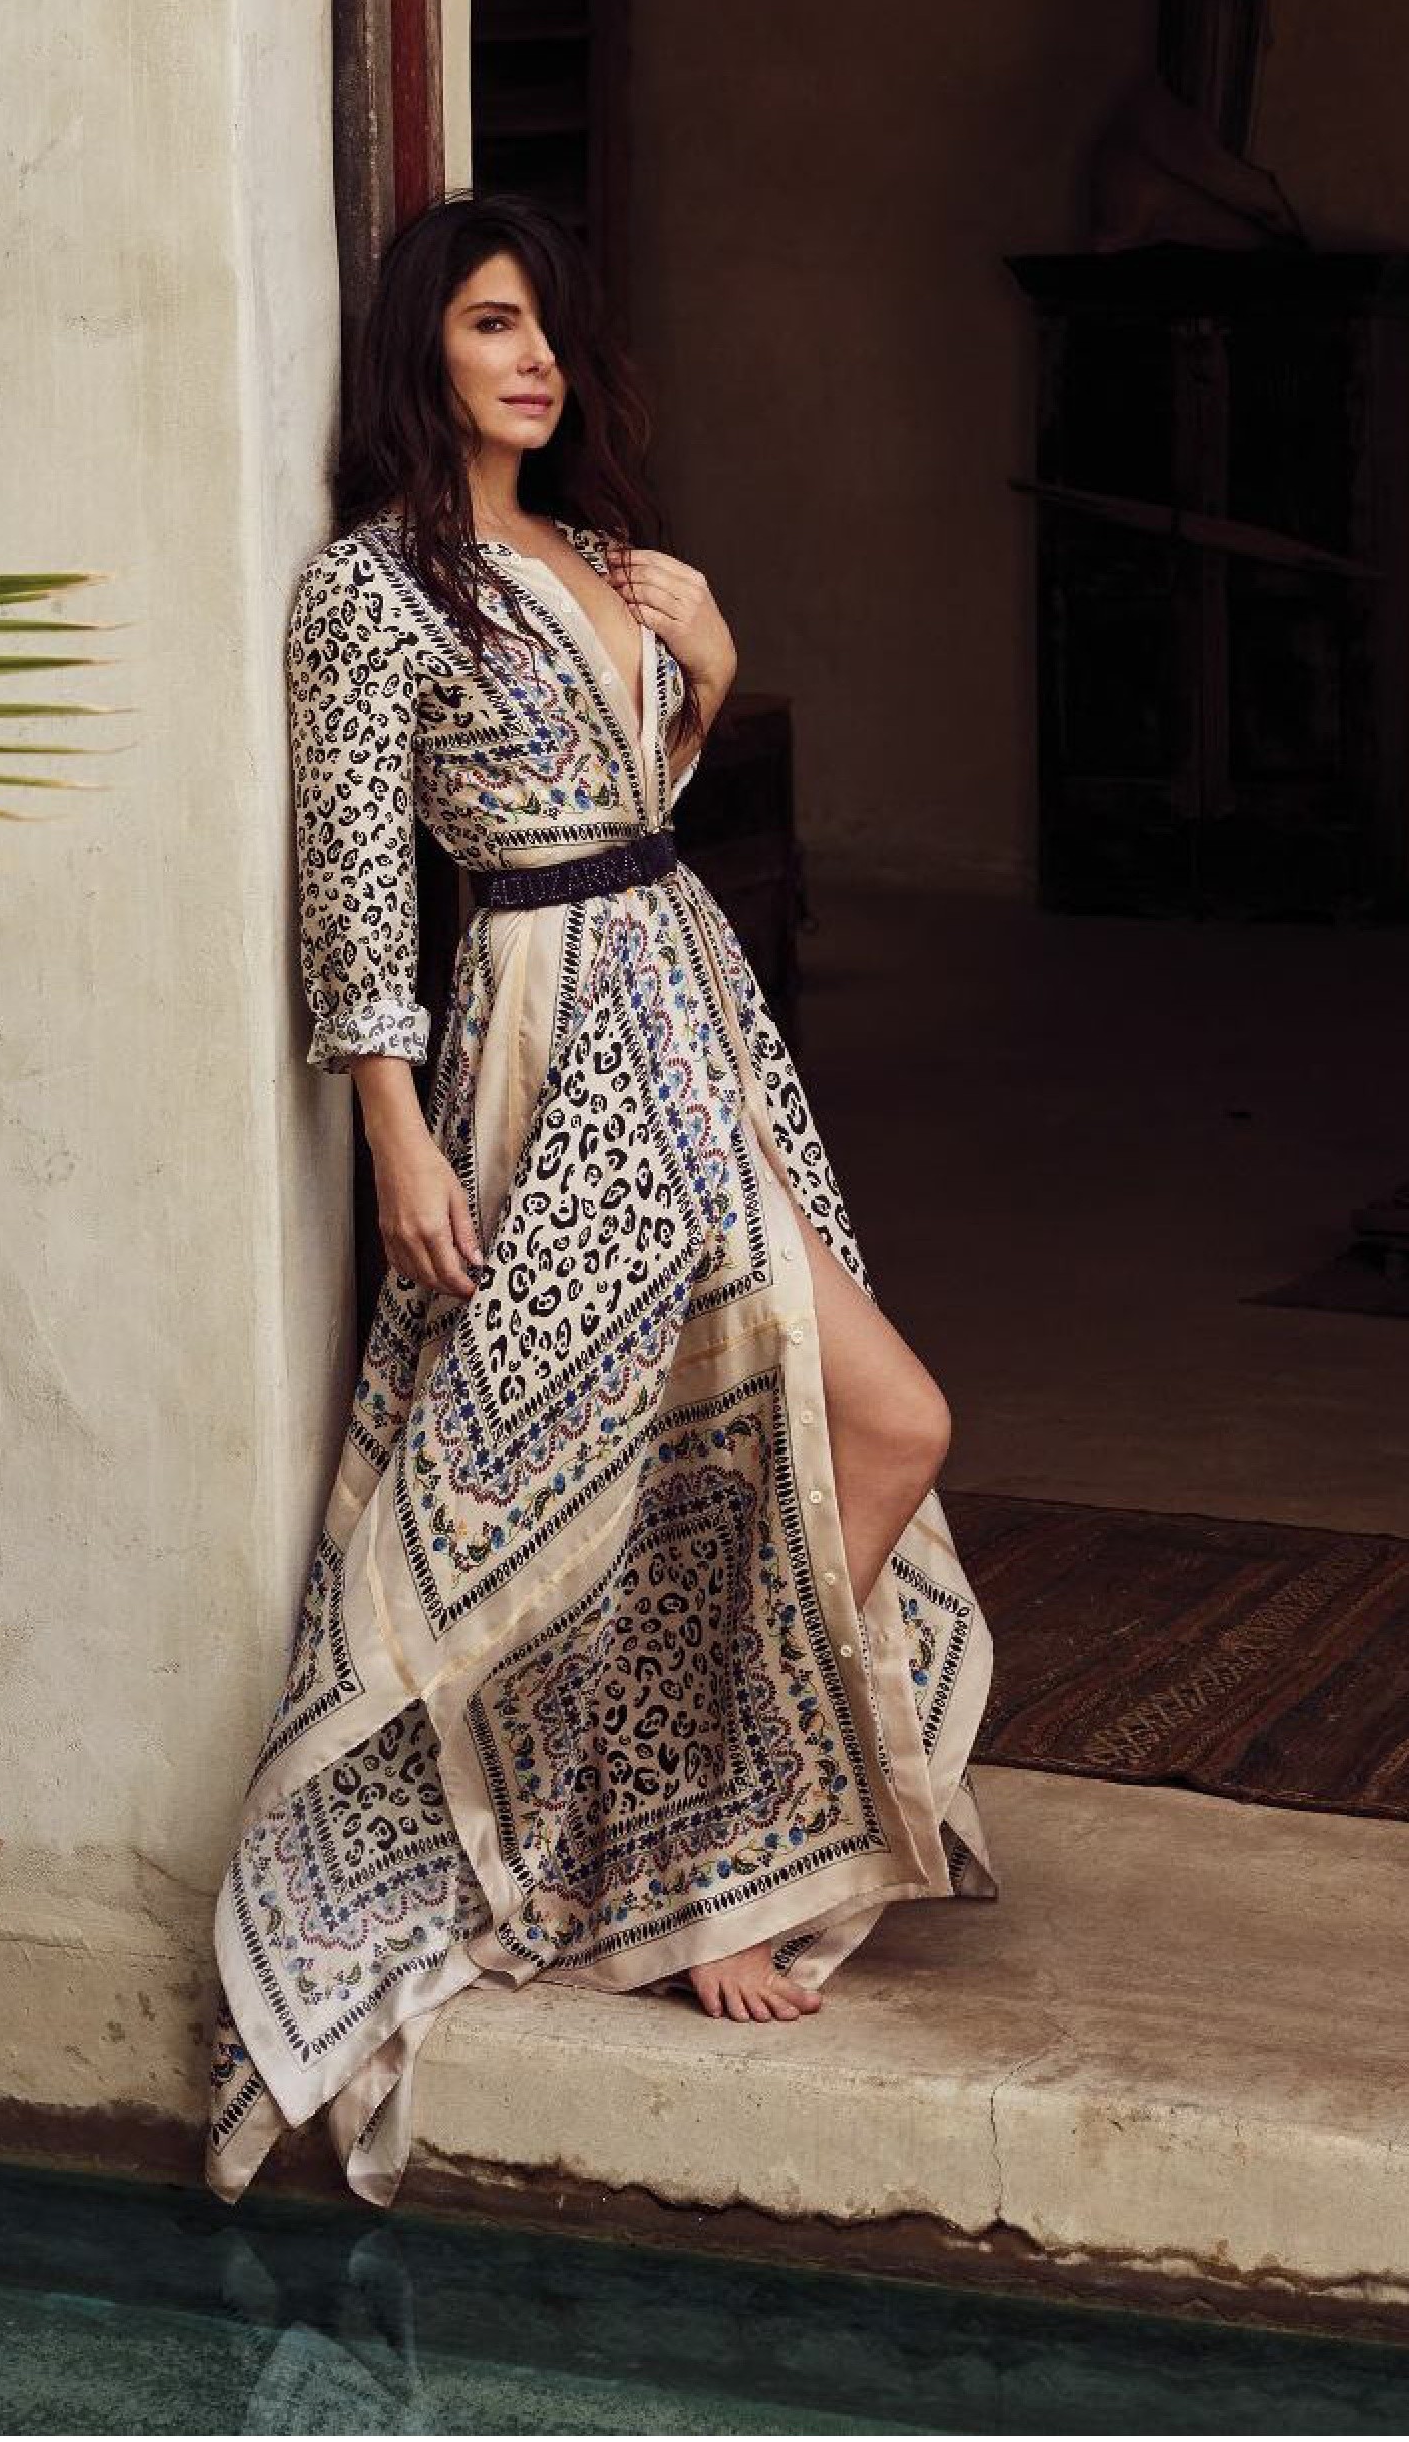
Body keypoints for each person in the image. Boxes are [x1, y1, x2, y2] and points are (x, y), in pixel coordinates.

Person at [205, 194, 995, 2206]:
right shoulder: (369, 591)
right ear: (422, 347)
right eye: (492, 323)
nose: (534, 357)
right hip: (547, 1047)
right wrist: (393, 1134)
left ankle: (701, 1839)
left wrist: (709, 670)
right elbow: (358, 879)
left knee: (866, 1421)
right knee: (667, 1449)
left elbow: (627, 796)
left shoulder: (608, 556)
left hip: (692, 1019)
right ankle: (692, 1871)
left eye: (549, 324)